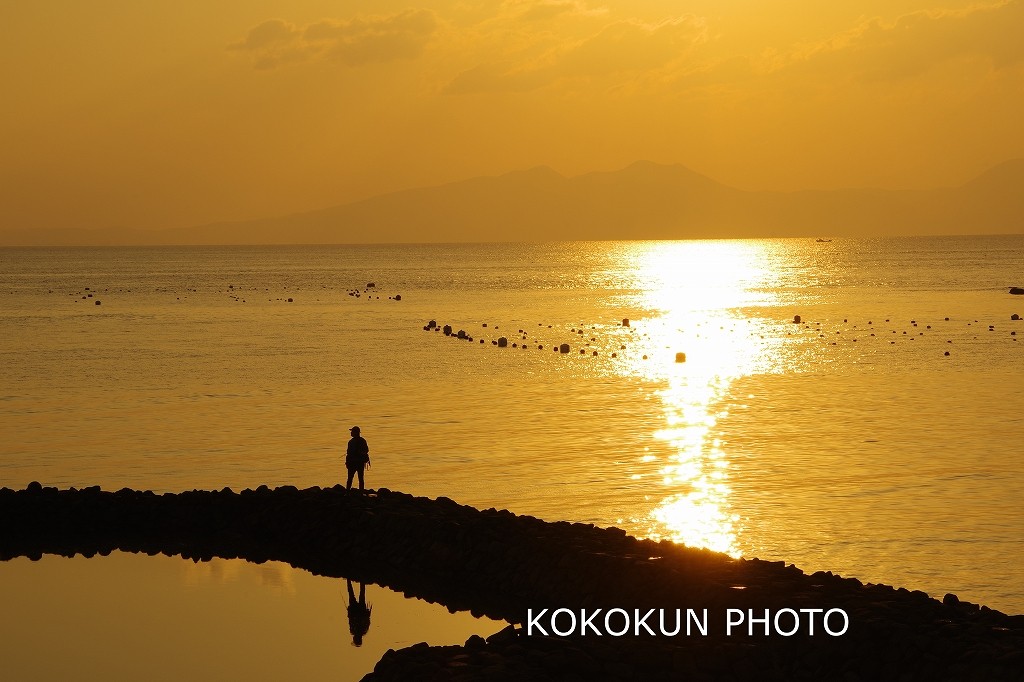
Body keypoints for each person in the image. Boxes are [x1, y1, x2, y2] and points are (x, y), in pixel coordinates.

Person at [345, 580, 372, 646]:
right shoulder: (353, 630)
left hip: (360, 610)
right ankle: (348, 579)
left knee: (361, 593)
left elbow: (367, 620)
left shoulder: (364, 631)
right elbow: (351, 620)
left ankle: (361, 580)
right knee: (351, 593)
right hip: (355, 610)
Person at [345, 425, 370, 490]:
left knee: (350, 478)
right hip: (360, 462)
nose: (351, 433)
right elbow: (367, 450)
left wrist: (347, 462)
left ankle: (347, 492)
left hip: (353, 463)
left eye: (352, 431)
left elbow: (348, 453)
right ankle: (361, 492)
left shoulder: (351, 442)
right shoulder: (363, 440)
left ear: (355, 433)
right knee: (361, 478)